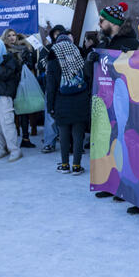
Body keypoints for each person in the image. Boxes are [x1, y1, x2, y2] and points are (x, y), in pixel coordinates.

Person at [46, 34, 92, 175]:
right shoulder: (80, 61)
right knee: (78, 135)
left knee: (64, 135)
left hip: (61, 102)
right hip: (80, 102)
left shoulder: (53, 63)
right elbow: (89, 81)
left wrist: (50, 107)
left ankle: (65, 165)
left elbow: (51, 88)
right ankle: (77, 166)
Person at [3, 28, 39, 149]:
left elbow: (30, 64)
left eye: (14, 35)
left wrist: (26, 58)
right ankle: (9, 140)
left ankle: (25, 138)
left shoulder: (24, 49)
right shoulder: (2, 50)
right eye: (9, 35)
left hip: (21, 83)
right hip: (8, 84)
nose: (12, 37)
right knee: (8, 113)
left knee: (24, 111)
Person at [37, 24, 67, 154]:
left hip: (66, 87)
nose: (57, 36)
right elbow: (39, 65)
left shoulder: (69, 48)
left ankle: (66, 140)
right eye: (55, 34)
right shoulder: (47, 48)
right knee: (50, 115)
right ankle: (49, 142)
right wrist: (48, 59)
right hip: (51, 86)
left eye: (60, 33)